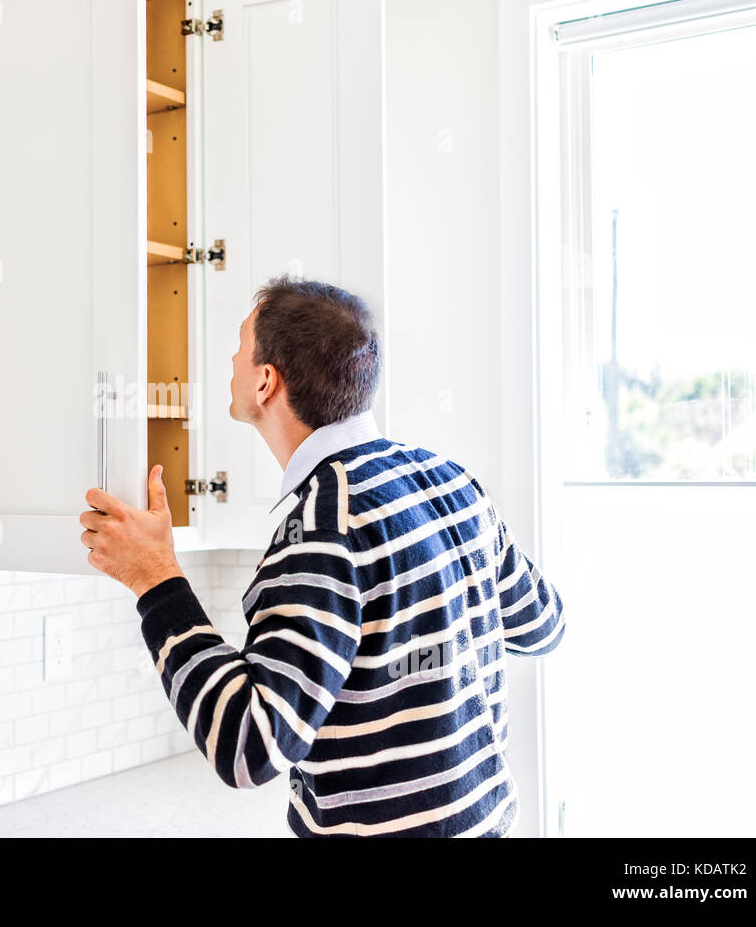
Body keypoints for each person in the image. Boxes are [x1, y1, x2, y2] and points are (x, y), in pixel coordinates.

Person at [78, 275, 565, 837]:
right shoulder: (447, 480)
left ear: (265, 382)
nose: (230, 360)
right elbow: (543, 625)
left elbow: (248, 745)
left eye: (239, 346)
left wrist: (155, 578)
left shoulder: (321, 529)